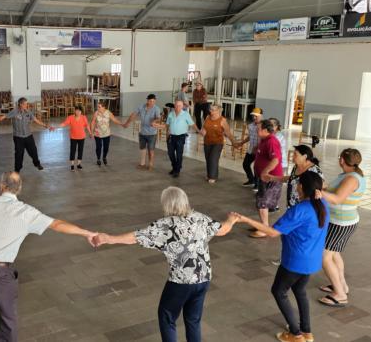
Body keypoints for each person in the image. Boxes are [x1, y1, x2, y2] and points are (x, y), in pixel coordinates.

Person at [0, 171, 97, 342]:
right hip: (0, 272)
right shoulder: (27, 212)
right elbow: (58, 224)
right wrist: (87, 233)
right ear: (19, 188)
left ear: (1, 185)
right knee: (8, 316)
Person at [93, 187, 238, 342]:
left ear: (166, 205)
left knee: (167, 317)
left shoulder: (164, 225)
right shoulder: (199, 217)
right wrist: (232, 219)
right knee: (193, 320)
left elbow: (137, 237)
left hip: (181, 282)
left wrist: (110, 238)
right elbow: (222, 230)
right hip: (203, 278)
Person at [232, 171, 329, 342]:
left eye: (298, 184)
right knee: (300, 290)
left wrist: (246, 220)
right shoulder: (323, 205)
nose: (296, 186)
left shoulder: (299, 210)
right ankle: (307, 331)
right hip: (312, 261)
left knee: (278, 291)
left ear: (301, 187)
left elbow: (272, 232)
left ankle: (296, 334)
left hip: (295, 261)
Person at [317, 148, 366, 308]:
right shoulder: (347, 175)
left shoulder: (352, 178)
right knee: (334, 253)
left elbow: (337, 199)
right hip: (339, 221)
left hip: (341, 223)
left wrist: (320, 192)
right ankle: (342, 285)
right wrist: (324, 189)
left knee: (324, 257)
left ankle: (340, 294)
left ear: (342, 160)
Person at [0, 97, 53, 172]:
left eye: (26, 104)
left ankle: (37, 164)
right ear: (20, 104)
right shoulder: (14, 112)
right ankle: (17, 170)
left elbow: (36, 120)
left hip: (28, 136)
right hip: (18, 137)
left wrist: (46, 125)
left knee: (34, 151)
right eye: (25, 104)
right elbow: (4, 117)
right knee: (19, 154)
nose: (26, 105)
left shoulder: (28, 112)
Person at [250, 119, 283, 238]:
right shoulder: (264, 140)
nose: (256, 130)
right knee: (260, 200)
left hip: (271, 178)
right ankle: (264, 225)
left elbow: (275, 160)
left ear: (265, 130)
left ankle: (265, 228)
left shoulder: (272, 142)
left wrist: (265, 171)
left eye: (258, 128)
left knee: (262, 202)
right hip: (263, 178)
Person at [268, 145, 323, 209]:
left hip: (304, 207)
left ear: (304, 157)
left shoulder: (314, 170)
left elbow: (321, 188)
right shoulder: (296, 166)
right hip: (291, 205)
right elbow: (292, 178)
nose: (292, 156)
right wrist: (272, 178)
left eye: (295, 154)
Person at [123, 94, 163, 171]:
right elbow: (133, 114)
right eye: (150, 101)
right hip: (142, 132)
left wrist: (154, 121)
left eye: (154, 101)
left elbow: (158, 118)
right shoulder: (141, 107)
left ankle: (151, 164)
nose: (152, 103)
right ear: (147, 100)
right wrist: (127, 123)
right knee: (143, 149)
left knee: (151, 150)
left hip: (152, 133)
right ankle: (142, 164)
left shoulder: (156, 108)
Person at [199, 105, 236, 183]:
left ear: (218, 111)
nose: (210, 110)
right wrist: (202, 131)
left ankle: (213, 177)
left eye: (213, 109)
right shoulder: (207, 117)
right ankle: (210, 175)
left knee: (213, 158)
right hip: (207, 142)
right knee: (208, 159)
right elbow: (203, 128)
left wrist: (234, 143)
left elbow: (228, 133)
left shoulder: (222, 120)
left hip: (217, 143)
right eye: (210, 109)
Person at [165, 100, 198, 178]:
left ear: (182, 106)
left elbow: (192, 124)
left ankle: (177, 170)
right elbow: (167, 124)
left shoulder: (186, 114)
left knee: (179, 154)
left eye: (179, 105)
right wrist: (167, 133)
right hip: (171, 136)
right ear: (174, 105)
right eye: (176, 105)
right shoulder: (171, 114)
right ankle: (174, 167)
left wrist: (199, 131)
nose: (177, 107)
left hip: (181, 137)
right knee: (170, 153)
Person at [57, 105, 93, 170]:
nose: (78, 112)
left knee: (80, 150)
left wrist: (90, 133)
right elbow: (64, 123)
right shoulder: (70, 117)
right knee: (72, 150)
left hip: (82, 137)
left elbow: (87, 125)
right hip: (73, 137)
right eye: (77, 110)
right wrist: (56, 127)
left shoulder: (83, 117)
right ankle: (72, 165)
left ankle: (79, 164)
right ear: (75, 111)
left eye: (79, 111)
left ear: (81, 111)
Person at [236, 108, 262, 190]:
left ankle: (257, 184)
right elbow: (250, 137)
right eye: (253, 116)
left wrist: (258, 147)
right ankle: (251, 180)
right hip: (251, 149)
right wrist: (241, 142)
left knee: (257, 167)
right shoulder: (250, 126)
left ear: (261, 116)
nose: (254, 117)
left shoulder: (264, 126)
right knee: (245, 164)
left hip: (260, 151)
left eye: (256, 116)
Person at [90, 101, 123, 166]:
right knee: (98, 147)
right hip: (98, 133)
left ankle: (104, 157)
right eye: (98, 107)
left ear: (104, 107)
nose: (98, 108)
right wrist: (91, 132)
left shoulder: (108, 113)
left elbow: (114, 120)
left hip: (106, 133)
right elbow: (93, 122)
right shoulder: (96, 113)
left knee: (106, 147)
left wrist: (122, 124)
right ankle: (98, 159)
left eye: (99, 107)